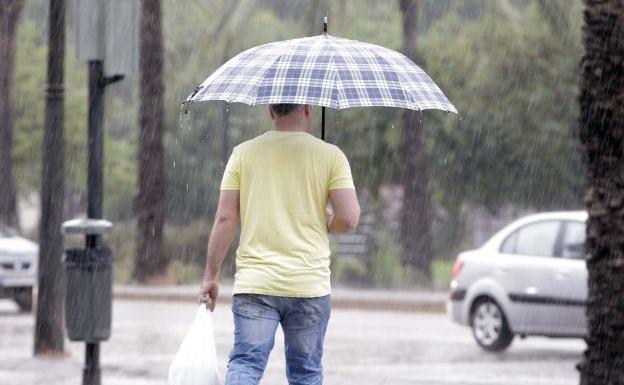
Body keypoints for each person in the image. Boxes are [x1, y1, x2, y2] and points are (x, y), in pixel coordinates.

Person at [198, 103, 360, 385]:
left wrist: (211, 275)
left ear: (271, 111)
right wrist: (329, 222)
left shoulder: (243, 154)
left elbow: (225, 218)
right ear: (308, 109)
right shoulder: (330, 156)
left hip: (256, 284)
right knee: (306, 373)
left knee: (246, 365)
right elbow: (349, 218)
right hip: (308, 285)